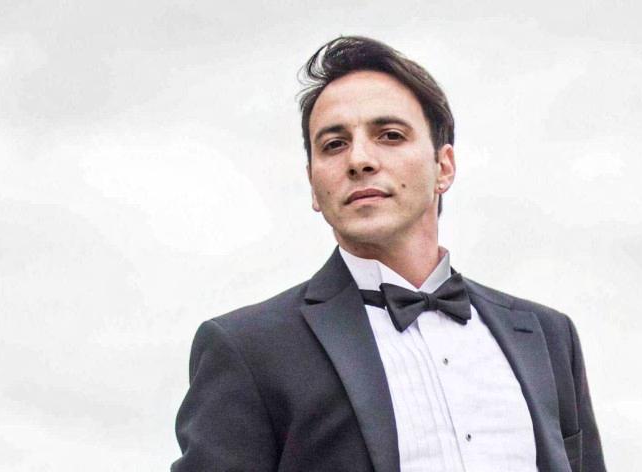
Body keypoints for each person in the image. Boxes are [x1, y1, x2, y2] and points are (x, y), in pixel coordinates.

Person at [172, 36, 606, 472]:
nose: (359, 159)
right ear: (313, 186)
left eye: (390, 136)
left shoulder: (548, 336)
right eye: (334, 144)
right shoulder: (249, 349)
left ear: (444, 167)